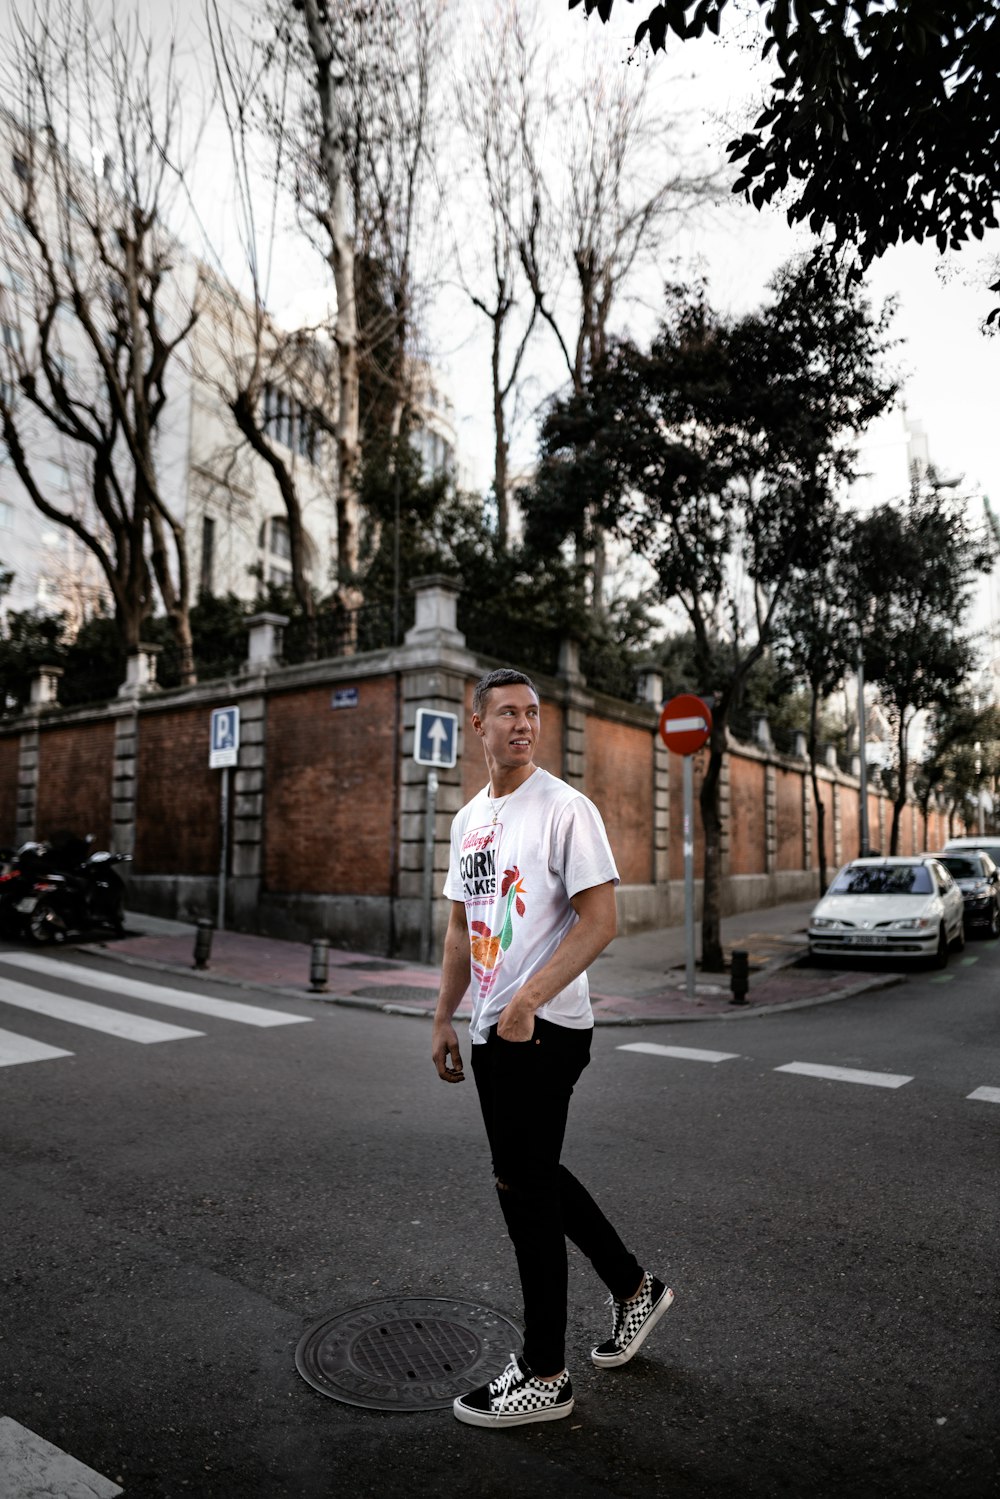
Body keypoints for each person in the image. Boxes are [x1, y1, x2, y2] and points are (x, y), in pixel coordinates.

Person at [432, 667, 673, 1429]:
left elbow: (600, 921)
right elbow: (459, 928)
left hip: (546, 1028)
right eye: (506, 712)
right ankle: (634, 1288)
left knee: (523, 1191)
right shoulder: (467, 818)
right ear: (478, 725)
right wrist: (444, 1015)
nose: (523, 723)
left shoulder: (567, 809)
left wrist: (529, 1000)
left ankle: (544, 1372)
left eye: (532, 712)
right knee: (528, 1174)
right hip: (490, 1029)